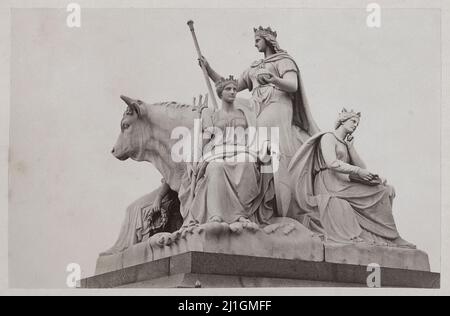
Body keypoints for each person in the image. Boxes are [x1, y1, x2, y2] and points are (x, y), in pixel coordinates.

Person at [199, 26, 320, 216]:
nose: (255, 43)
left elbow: (293, 85)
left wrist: (273, 79)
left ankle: (283, 195)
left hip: (277, 104)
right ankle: (259, 196)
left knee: (268, 144)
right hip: (256, 107)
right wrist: (209, 70)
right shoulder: (254, 67)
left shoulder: (283, 61)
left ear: (267, 40)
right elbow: (231, 86)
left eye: (257, 40)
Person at [288, 109, 416, 248]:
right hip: (329, 182)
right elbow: (332, 163)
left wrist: (351, 148)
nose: (355, 125)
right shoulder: (328, 137)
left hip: (343, 182)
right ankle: (391, 236)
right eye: (353, 121)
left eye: (357, 124)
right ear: (343, 121)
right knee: (379, 192)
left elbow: (362, 167)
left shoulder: (345, 144)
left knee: (385, 190)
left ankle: (390, 235)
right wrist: (358, 171)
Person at [178, 76, 275, 230]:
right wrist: (199, 117)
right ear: (220, 93)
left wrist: (265, 145)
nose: (233, 92)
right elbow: (204, 139)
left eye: (235, 89)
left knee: (246, 163)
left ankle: (241, 214)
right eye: (228, 89)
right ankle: (215, 215)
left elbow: (254, 134)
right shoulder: (213, 115)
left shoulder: (245, 113)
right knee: (215, 167)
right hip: (217, 153)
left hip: (242, 150)